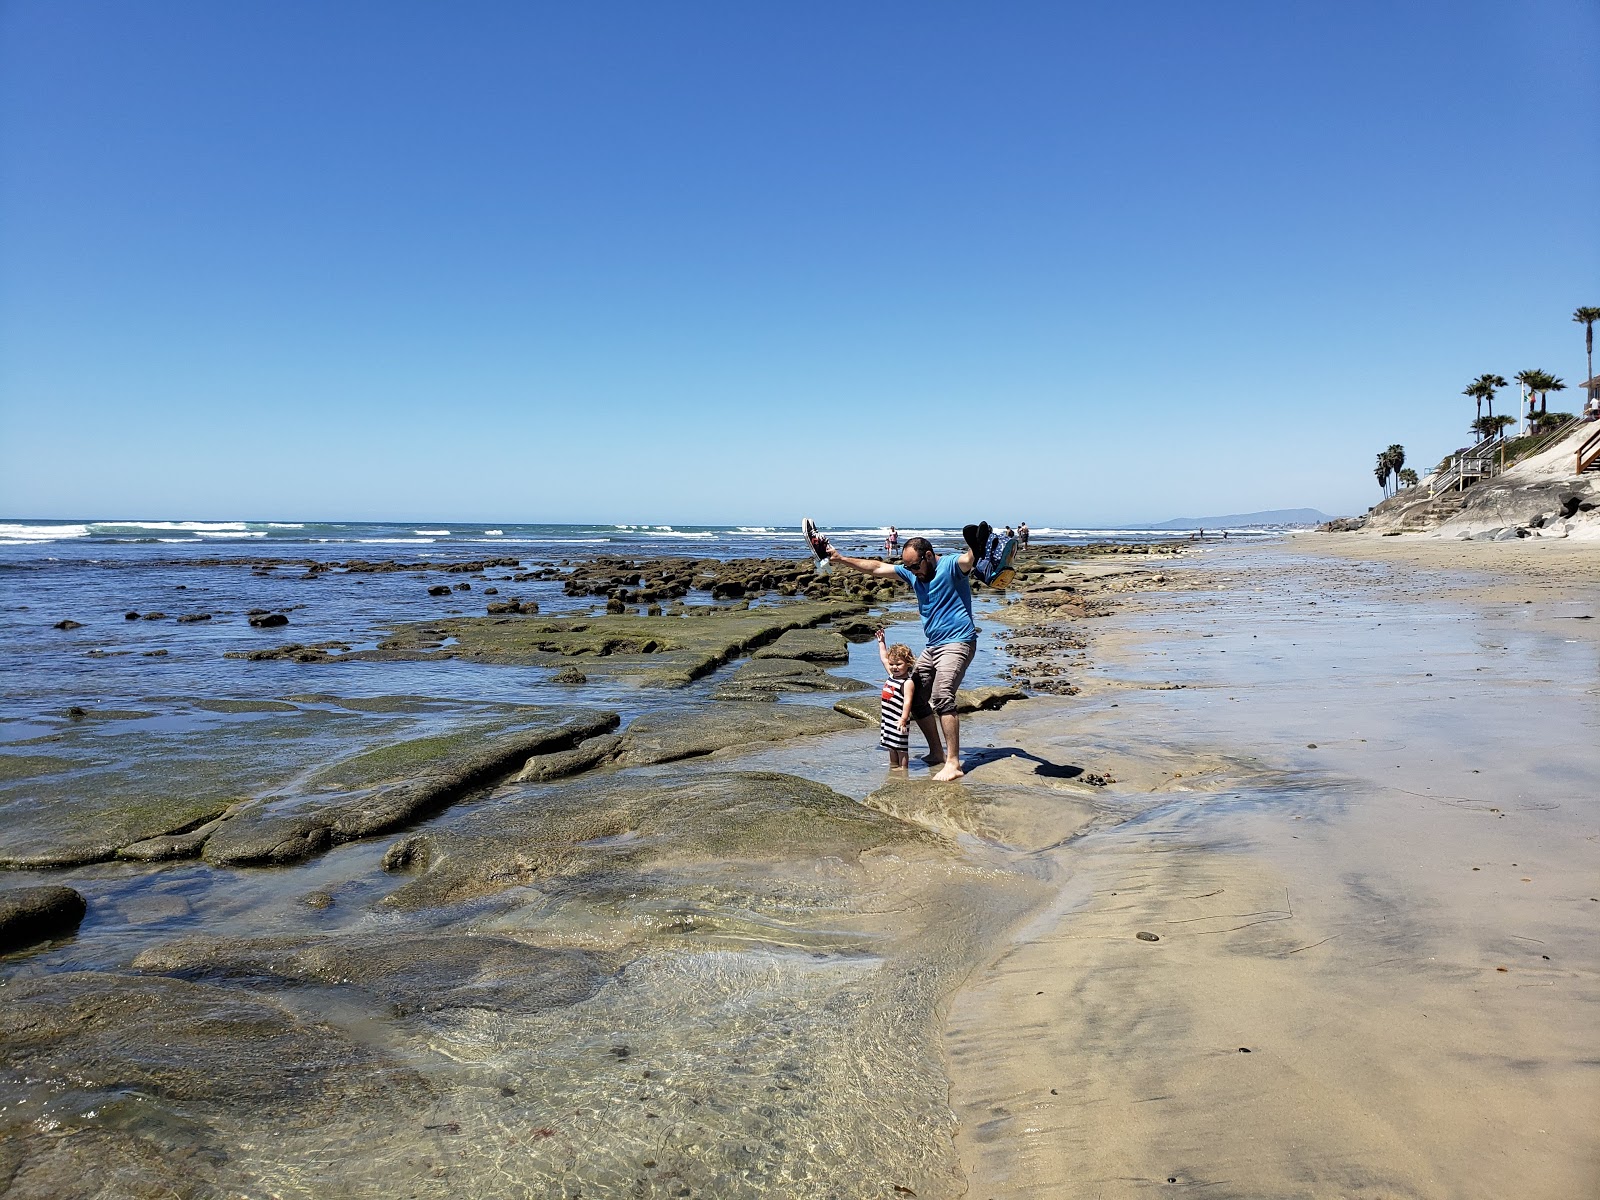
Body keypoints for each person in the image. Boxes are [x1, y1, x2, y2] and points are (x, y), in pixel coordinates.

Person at [825, 530, 980, 781]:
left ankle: (953, 763)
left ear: (928, 556)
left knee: (942, 696)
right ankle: (936, 753)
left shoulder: (950, 566)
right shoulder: (911, 571)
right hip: (933, 646)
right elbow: (875, 568)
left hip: (958, 642)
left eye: (915, 565)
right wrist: (841, 559)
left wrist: (976, 546)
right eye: (907, 566)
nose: (912, 571)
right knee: (917, 697)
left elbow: (968, 560)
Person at [874, 630, 916, 770]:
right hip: (888, 719)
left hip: (899, 720)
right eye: (892, 664)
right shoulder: (892, 675)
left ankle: (903, 768)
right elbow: (883, 658)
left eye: (898, 664)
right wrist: (881, 643)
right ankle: (894, 766)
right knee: (890, 745)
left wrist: (904, 719)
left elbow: (907, 702)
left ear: (908, 664)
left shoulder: (907, 682)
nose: (894, 667)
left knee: (901, 747)